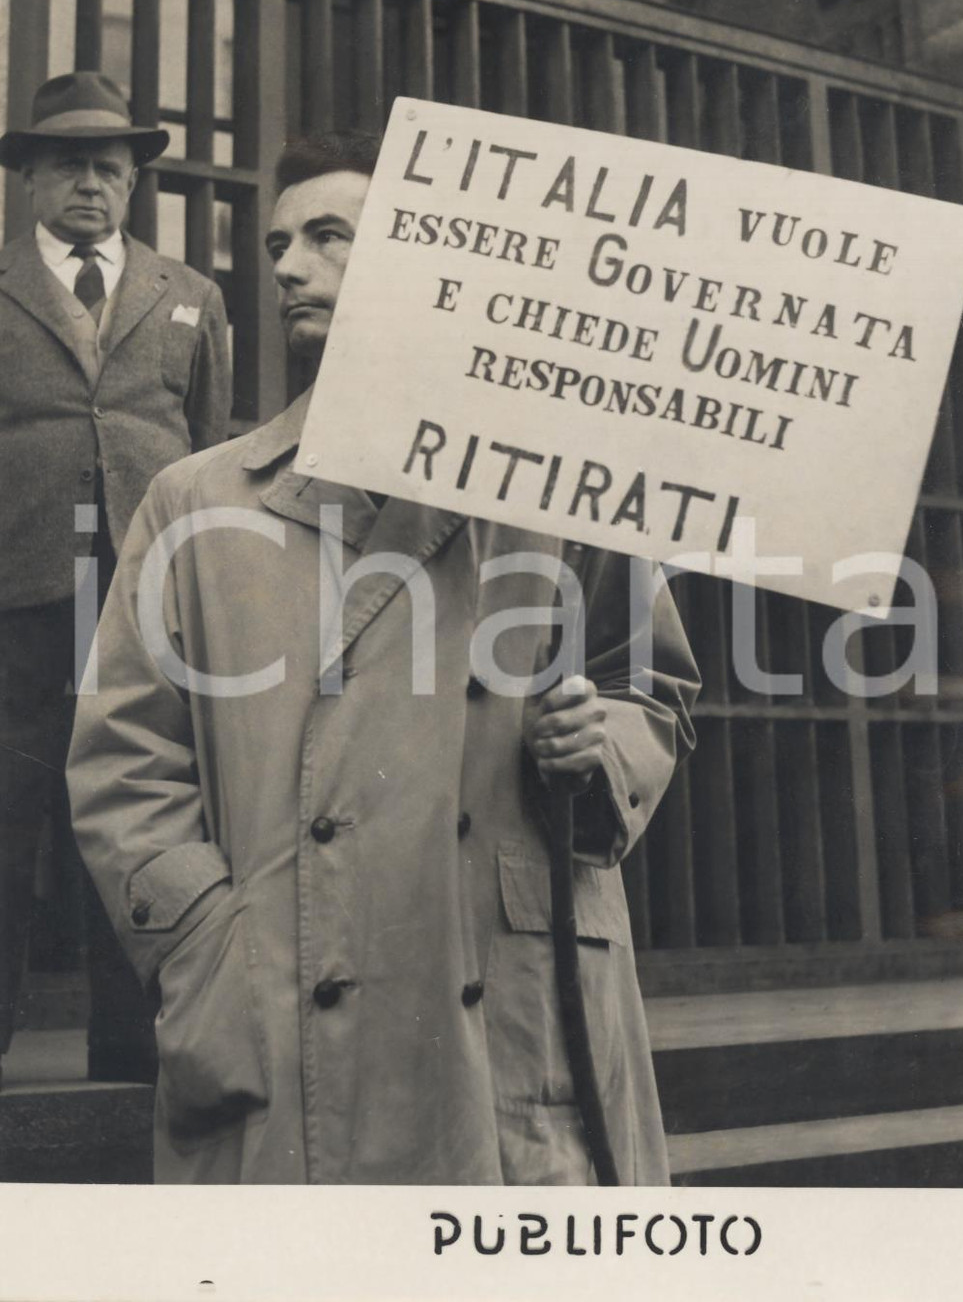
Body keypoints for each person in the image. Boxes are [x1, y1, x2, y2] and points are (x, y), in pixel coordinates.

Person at [66, 133, 700, 1185]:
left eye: (327, 237)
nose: (284, 267)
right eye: (278, 243)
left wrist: (602, 745)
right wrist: (209, 952)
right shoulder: (198, 498)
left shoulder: (553, 482)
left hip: (504, 1008)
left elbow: (653, 690)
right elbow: (123, 766)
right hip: (282, 1001)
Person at [0, 72, 232, 1085]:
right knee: (6, 816)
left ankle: (133, 1050)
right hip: (16, 599)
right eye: (65, 166)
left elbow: (210, 449)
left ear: (132, 180)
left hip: (144, 602)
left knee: (139, 812)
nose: (86, 184)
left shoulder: (191, 296)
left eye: (106, 166)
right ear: (29, 182)